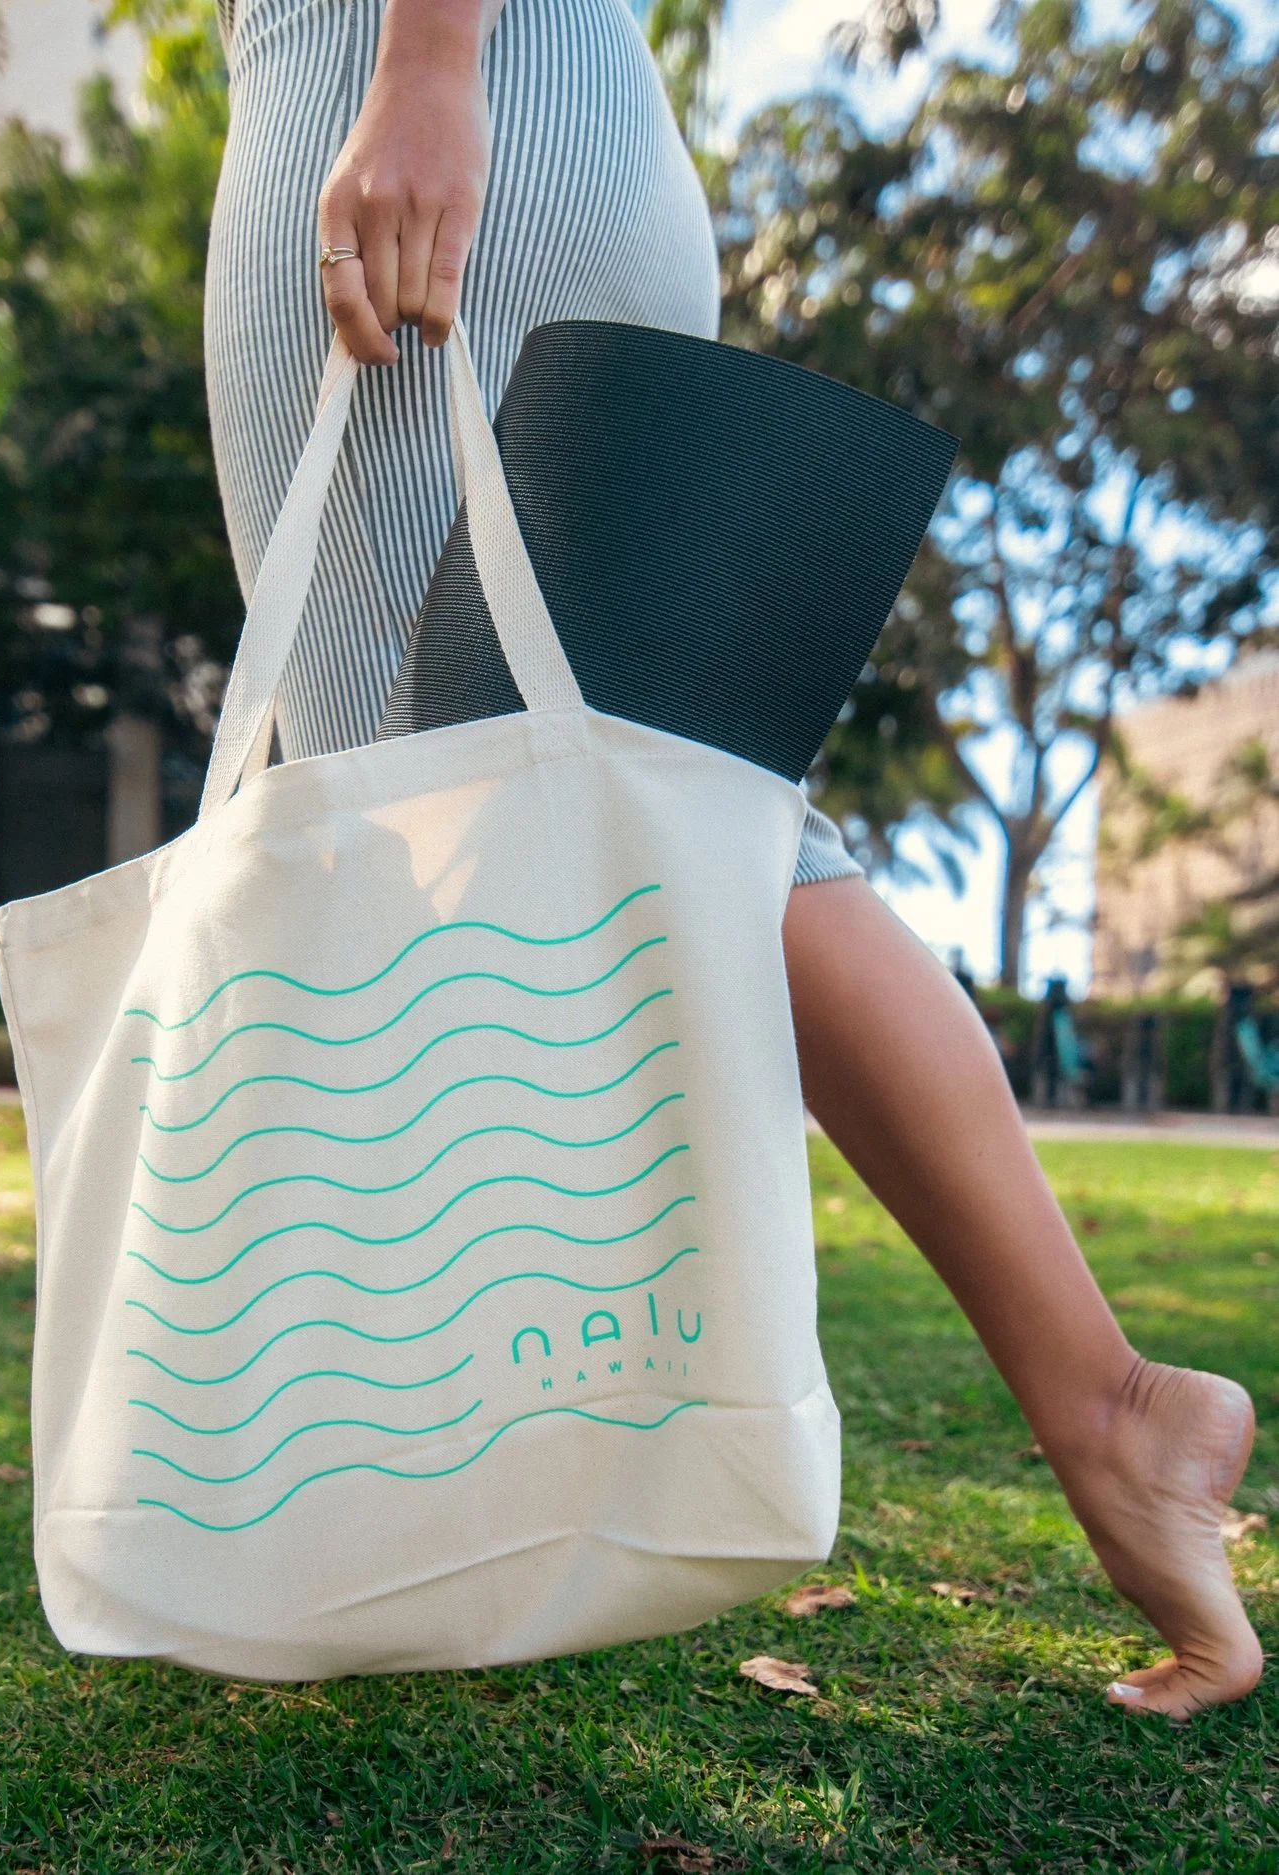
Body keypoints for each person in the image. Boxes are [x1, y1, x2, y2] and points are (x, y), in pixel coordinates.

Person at [204, 0, 1262, 1720]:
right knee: (629, 805)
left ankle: (1107, 1407)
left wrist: (424, 68)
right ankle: (1109, 1409)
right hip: (490, 109)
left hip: (420, 101)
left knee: (511, 792)